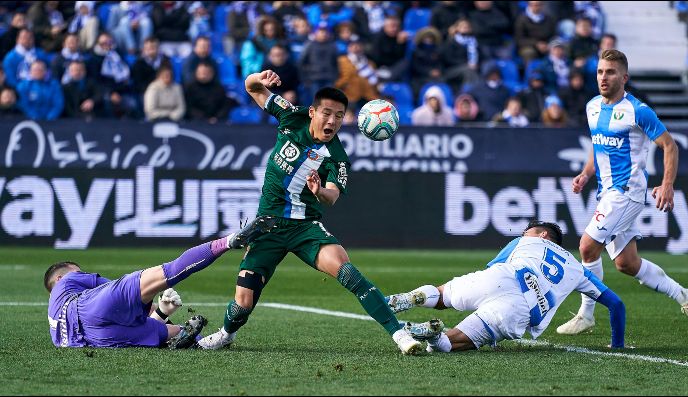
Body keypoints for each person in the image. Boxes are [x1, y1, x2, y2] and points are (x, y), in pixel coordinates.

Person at [197, 70, 423, 355]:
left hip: (305, 227)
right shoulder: (292, 116)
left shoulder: (337, 157)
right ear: (313, 111)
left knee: (348, 271)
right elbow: (251, 88)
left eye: (339, 116)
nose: (332, 121)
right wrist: (259, 78)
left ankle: (400, 335)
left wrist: (319, 192)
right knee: (243, 300)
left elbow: (332, 196)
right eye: (327, 113)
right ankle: (226, 334)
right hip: (267, 226)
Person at [556, 49, 688, 335]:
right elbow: (597, 144)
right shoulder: (592, 107)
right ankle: (686, 296)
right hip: (606, 192)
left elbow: (669, 145)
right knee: (626, 263)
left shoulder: (638, 110)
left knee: (587, 246)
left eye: (610, 72)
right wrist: (586, 174)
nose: (603, 77)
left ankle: (586, 314)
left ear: (624, 77)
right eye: (599, 71)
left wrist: (667, 184)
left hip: (626, 193)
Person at [386, 221, 626, 352]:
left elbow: (493, 267)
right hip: (522, 310)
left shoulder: (524, 241)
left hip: (503, 277)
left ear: (543, 234)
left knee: (443, 295)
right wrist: (617, 345)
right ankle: (435, 335)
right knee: (452, 344)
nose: (524, 231)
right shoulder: (578, 269)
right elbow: (616, 304)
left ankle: (415, 296)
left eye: (529, 228)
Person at [45, 218, 277, 348]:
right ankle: (227, 242)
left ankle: (206, 342)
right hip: (88, 308)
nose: (81, 273)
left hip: (93, 339)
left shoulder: (54, 321)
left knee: (172, 334)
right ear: (60, 277)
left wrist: (162, 312)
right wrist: (149, 302)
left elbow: (115, 316)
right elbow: (112, 292)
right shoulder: (67, 282)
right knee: (171, 271)